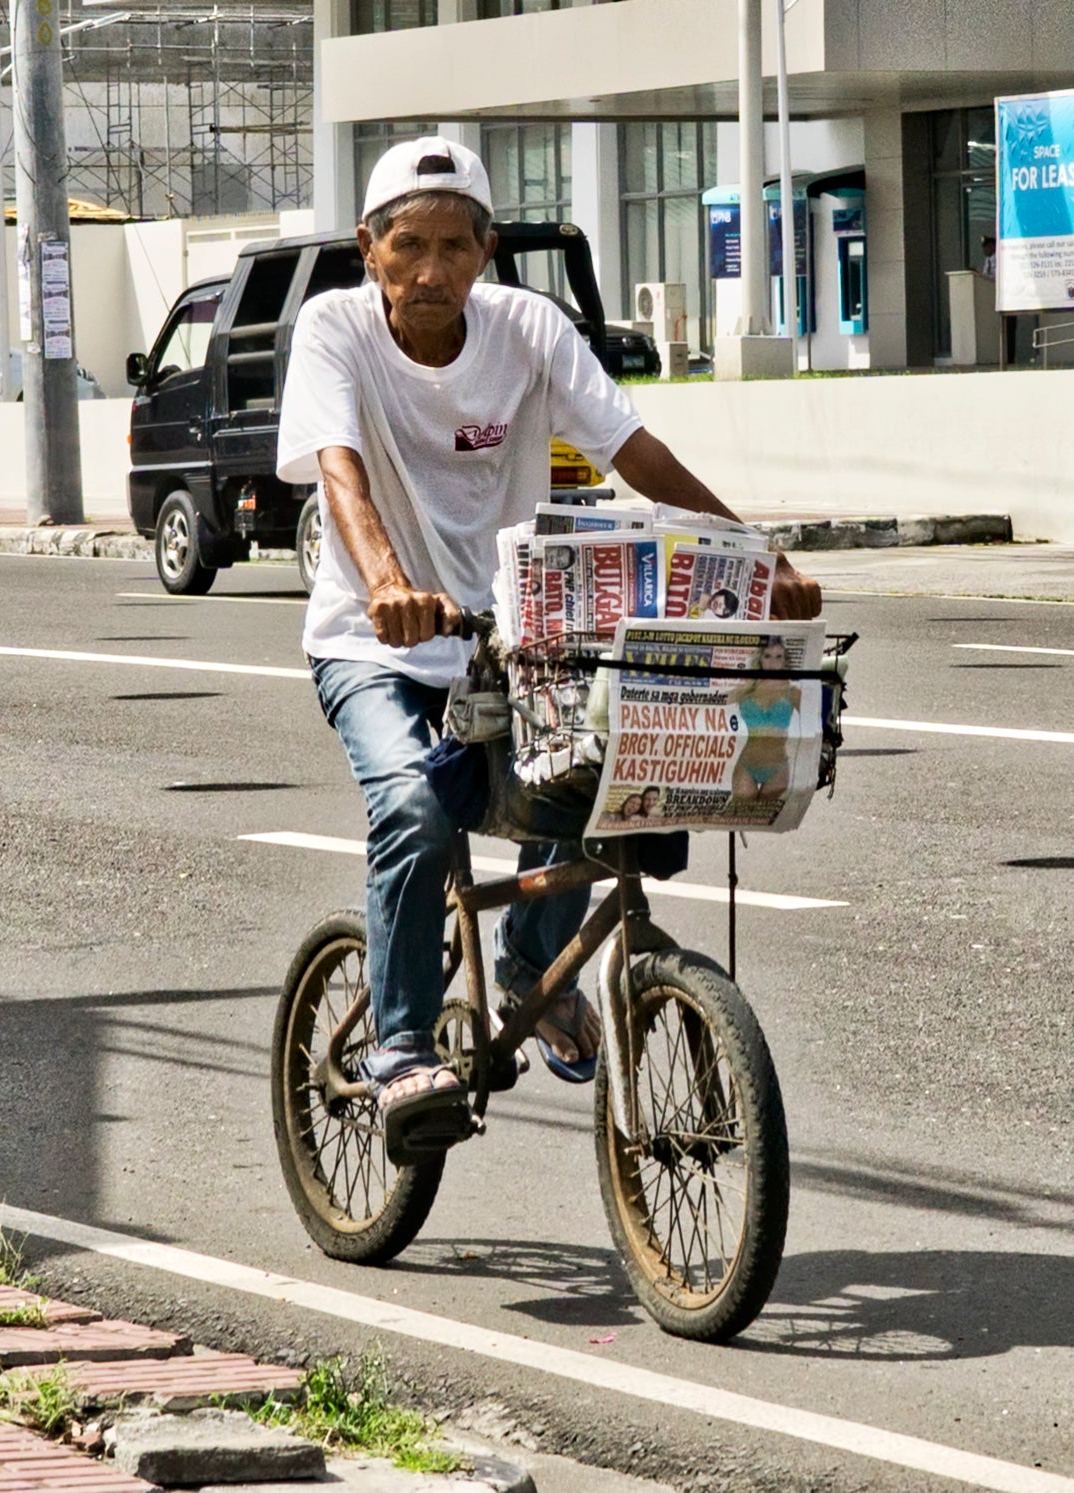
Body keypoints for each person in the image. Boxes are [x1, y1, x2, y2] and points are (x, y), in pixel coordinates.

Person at [277, 137, 822, 1161]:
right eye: (408, 246)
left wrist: (755, 553)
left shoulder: (528, 328)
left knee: (614, 777)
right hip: (377, 642)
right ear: (369, 249)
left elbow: (630, 448)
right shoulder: (334, 330)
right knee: (410, 802)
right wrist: (389, 585)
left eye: (453, 245)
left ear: (487, 250)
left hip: (513, 643)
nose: (430, 269)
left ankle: (534, 962)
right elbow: (339, 471)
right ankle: (399, 1049)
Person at [728, 638, 798, 801]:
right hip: (747, 764)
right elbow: (712, 701)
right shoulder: (746, 689)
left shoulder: (792, 692)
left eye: (778, 657)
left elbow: (815, 716)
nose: (773, 663)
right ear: (759, 659)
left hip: (778, 767)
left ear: (785, 660)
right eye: (767, 656)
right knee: (742, 815)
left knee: (767, 819)